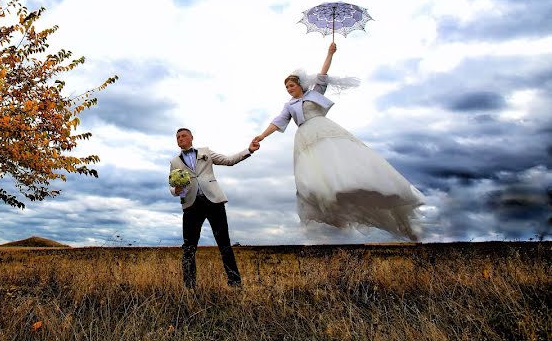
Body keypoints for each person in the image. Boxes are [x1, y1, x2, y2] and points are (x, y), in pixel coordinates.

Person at [253, 42, 425, 241]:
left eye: (291, 85)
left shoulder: (315, 93)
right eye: (286, 87)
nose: (289, 89)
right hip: (306, 138)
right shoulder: (289, 105)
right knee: (314, 175)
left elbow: (323, 74)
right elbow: (278, 121)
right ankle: (330, 203)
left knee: (339, 161)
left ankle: (363, 190)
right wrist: (261, 136)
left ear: (300, 85)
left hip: (324, 130)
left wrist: (329, 53)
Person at [169, 128, 260, 288]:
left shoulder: (206, 152)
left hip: (213, 202)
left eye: (183, 136)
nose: (180, 139)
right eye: (178, 137)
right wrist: (175, 190)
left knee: (224, 243)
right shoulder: (174, 162)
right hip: (191, 205)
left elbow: (229, 160)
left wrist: (249, 150)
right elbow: (173, 185)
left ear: (191, 138)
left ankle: (235, 283)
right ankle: (189, 287)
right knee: (189, 247)